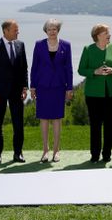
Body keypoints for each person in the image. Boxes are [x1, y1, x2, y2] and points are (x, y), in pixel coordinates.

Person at [78, 24, 112, 163]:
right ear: (98, 35)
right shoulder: (88, 49)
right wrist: (94, 71)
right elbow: (81, 70)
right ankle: (95, 154)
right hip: (93, 94)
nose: (109, 35)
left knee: (110, 125)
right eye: (106, 32)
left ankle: (107, 154)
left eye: (108, 32)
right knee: (95, 125)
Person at [0, 19, 28, 164]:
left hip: (16, 92)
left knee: (18, 124)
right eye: (15, 30)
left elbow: (24, 68)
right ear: (6, 31)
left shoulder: (20, 45)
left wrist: (24, 87)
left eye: (17, 29)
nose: (18, 32)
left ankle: (18, 153)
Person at [30, 19, 73, 163]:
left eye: (54, 29)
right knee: (43, 118)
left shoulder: (66, 45)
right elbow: (34, 67)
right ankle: (45, 150)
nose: (52, 31)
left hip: (59, 87)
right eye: (49, 29)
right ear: (45, 31)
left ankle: (56, 151)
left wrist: (69, 87)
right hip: (42, 87)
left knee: (56, 119)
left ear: (58, 30)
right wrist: (33, 86)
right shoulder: (39, 45)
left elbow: (69, 68)